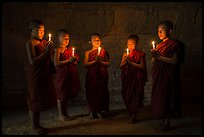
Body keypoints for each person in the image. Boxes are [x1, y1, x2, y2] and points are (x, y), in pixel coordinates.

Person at [150, 20, 183, 131]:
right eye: (158, 31)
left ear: (170, 31)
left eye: (162, 30)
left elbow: (175, 60)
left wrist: (159, 57)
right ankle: (163, 121)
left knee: (167, 98)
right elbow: (154, 62)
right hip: (159, 76)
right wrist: (154, 56)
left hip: (168, 77)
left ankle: (167, 122)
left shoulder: (174, 44)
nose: (159, 33)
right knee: (159, 98)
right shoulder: (159, 45)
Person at [25, 19, 56, 134]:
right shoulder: (30, 43)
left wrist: (50, 51)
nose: (41, 32)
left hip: (43, 73)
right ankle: (34, 126)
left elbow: (49, 58)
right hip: (35, 74)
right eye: (38, 30)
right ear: (31, 30)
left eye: (43, 30)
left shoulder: (43, 42)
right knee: (34, 98)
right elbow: (32, 61)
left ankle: (38, 124)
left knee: (39, 98)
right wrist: (46, 52)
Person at [54, 29, 81, 121]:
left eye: (68, 38)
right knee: (61, 95)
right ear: (58, 38)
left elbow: (76, 63)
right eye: (64, 38)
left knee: (66, 95)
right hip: (62, 75)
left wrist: (74, 61)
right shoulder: (58, 49)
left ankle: (65, 113)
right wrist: (68, 61)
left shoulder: (69, 49)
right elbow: (56, 63)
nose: (66, 40)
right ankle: (61, 115)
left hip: (69, 75)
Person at [120, 34, 147, 124]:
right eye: (128, 44)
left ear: (137, 44)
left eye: (132, 44)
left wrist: (131, 63)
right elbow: (121, 66)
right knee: (126, 95)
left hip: (135, 78)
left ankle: (133, 115)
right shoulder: (125, 54)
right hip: (127, 78)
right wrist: (126, 61)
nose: (130, 46)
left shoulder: (139, 53)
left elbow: (142, 67)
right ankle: (131, 113)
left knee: (134, 97)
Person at [84, 33, 110, 119]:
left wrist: (101, 62)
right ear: (90, 42)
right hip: (91, 76)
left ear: (101, 41)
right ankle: (92, 111)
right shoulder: (88, 52)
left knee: (101, 92)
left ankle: (100, 111)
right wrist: (95, 62)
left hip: (102, 75)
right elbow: (85, 64)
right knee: (91, 93)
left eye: (98, 39)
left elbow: (107, 64)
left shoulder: (104, 51)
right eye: (94, 40)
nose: (96, 41)